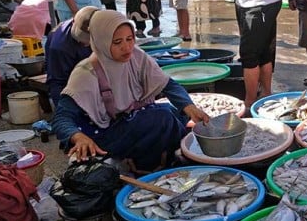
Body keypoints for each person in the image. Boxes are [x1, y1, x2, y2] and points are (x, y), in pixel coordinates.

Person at [51, 10, 209, 174]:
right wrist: (77, 137)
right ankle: (143, 166)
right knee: (162, 119)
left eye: (130, 39)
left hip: (128, 120)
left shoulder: (136, 56)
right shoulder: (86, 73)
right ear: (101, 41)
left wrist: (189, 107)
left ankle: (158, 160)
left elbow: (168, 84)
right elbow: (61, 118)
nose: (126, 47)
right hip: (104, 134)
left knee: (177, 113)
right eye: (117, 42)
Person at [220, 0, 288, 111]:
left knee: (248, 54)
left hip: (262, 3)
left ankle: (250, 101)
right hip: (247, 0)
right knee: (264, 52)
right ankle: (265, 94)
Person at [45, 6, 99, 107]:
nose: (85, 44)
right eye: (81, 38)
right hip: (69, 81)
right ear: (73, 21)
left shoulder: (106, 30)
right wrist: (63, 112)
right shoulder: (60, 46)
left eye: (89, 39)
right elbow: (57, 83)